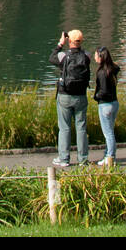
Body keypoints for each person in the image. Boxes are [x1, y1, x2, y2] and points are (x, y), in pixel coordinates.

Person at [50, 29, 91, 167]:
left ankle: (64, 158)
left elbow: (52, 58)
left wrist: (60, 43)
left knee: (64, 128)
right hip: (81, 96)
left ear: (69, 41)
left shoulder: (63, 56)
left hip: (65, 95)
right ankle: (83, 159)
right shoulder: (87, 56)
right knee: (81, 128)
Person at [94, 46, 119, 166]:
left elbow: (103, 91)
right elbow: (117, 66)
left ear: (100, 57)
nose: (94, 57)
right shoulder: (112, 69)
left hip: (105, 105)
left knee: (108, 133)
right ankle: (108, 155)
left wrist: (96, 96)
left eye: (96, 55)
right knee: (110, 132)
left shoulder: (102, 72)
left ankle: (110, 157)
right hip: (114, 103)